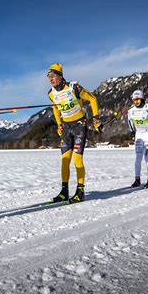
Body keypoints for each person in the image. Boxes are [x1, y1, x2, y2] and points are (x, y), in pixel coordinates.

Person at [47, 63, 100, 203]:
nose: (50, 79)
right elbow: (55, 109)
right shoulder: (51, 94)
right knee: (64, 161)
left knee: (77, 159)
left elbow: (93, 98)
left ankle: (80, 191)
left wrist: (95, 118)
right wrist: (59, 125)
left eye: (53, 75)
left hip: (79, 126)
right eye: (48, 76)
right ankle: (64, 192)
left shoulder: (73, 87)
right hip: (65, 128)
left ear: (60, 76)